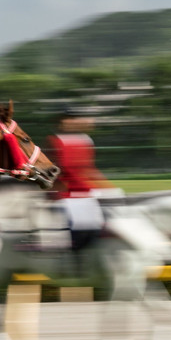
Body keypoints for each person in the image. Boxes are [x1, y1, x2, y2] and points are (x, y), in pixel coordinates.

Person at [47, 106, 118, 251]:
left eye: (74, 118)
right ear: (61, 122)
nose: (72, 122)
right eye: (69, 119)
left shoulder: (86, 140)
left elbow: (90, 168)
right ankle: (77, 251)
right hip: (67, 192)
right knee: (82, 220)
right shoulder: (55, 141)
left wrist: (107, 187)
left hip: (85, 190)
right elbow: (61, 169)